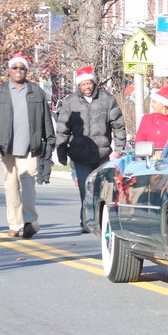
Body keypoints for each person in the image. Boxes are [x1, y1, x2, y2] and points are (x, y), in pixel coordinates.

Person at [0, 53, 56, 238]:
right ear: (9, 70)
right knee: (11, 186)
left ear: (26, 70)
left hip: (30, 147)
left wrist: (49, 142)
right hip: (7, 148)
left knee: (29, 185)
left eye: (21, 68)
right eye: (14, 67)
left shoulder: (36, 91)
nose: (18, 71)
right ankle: (14, 224)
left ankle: (29, 221)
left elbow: (46, 119)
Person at [54, 66, 126, 233]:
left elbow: (118, 125)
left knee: (102, 190)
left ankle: (100, 221)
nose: (87, 87)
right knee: (85, 190)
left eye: (89, 83)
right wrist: (61, 152)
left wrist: (119, 148)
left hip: (102, 155)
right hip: (80, 155)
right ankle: (87, 221)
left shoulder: (106, 99)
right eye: (83, 84)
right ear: (79, 86)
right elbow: (62, 128)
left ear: (94, 83)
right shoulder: (70, 102)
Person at [134, 83, 168, 151]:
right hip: (150, 158)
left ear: (163, 104)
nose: (152, 105)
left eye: (154, 102)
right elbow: (139, 141)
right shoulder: (146, 119)